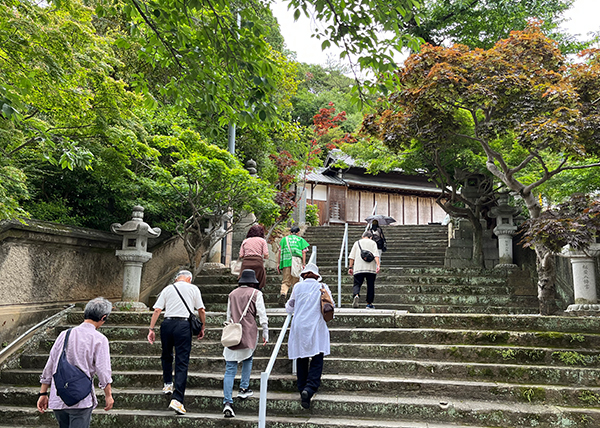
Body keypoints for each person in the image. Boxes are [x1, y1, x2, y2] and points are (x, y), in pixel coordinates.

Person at [37, 297, 114, 428]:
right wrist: (108, 395)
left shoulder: (64, 334)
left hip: (60, 396)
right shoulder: (99, 339)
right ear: (103, 317)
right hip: (80, 399)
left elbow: (50, 364)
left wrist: (43, 393)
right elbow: (103, 370)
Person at [148, 270, 206, 415]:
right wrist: (202, 327)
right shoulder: (193, 289)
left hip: (167, 324)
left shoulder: (168, 288)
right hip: (183, 325)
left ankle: (167, 383)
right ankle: (177, 399)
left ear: (177, 278)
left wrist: (151, 329)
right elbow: (201, 310)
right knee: (182, 361)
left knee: (166, 354)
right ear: (189, 279)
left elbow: (157, 310)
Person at [285, 263, 333, 409]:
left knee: (301, 357)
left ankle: (302, 388)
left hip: (299, 325)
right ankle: (310, 388)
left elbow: (289, 306)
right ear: (316, 276)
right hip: (316, 325)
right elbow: (331, 305)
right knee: (317, 357)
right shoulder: (322, 287)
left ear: (304, 274)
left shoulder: (297, 287)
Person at [222, 269, 269, 418]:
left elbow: (228, 315)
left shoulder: (232, 294)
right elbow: (262, 314)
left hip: (233, 333)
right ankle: (243, 389)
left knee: (230, 369)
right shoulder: (256, 294)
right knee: (248, 358)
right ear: (253, 281)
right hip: (248, 332)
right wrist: (265, 332)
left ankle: (227, 402)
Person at [277, 226, 310, 306]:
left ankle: (283, 294)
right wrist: (303, 263)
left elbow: (280, 251)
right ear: (298, 232)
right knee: (296, 281)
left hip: (286, 262)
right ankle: (294, 299)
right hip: (297, 263)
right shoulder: (301, 240)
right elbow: (304, 252)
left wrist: (278, 263)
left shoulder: (284, 239)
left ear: (290, 232)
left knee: (286, 281)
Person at [348, 231, 381, 309]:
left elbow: (351, 257)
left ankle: (356, 295)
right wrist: (378, 265)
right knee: (370, 285)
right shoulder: (373, 243)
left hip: (358, 268)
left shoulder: (357, 243)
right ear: (371, 237)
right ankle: (369, 303)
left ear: (362, 236)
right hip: (371, 268)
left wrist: (350, 267)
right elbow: (376, 255)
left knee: (357, 284)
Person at [238, 224, 269, 290]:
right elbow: (266, 254)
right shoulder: (262, 241)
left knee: (244, 280)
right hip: (258, 262)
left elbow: (241, 255)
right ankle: (257, 293)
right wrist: (265, 257)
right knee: (259, 280)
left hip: (246, 263)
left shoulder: (245, 241)